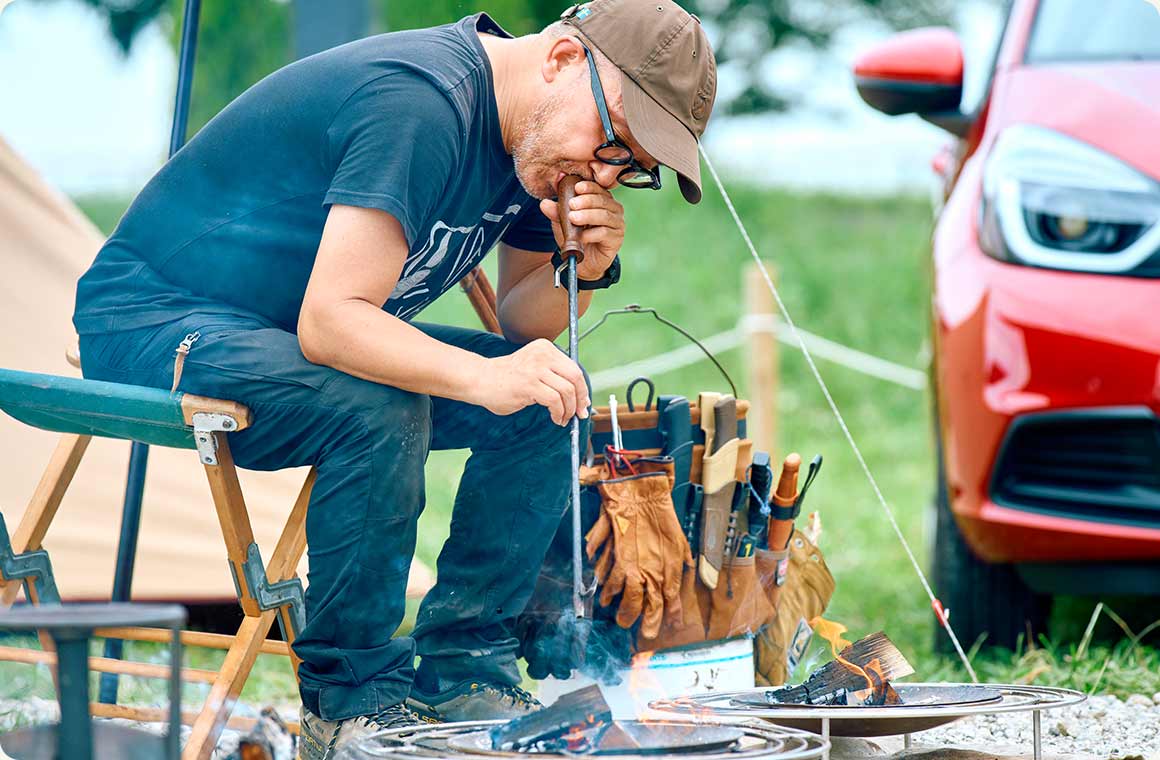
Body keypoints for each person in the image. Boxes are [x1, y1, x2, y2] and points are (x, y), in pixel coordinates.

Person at [71, 0, 715, 755]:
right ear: (563, 61)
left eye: (630, 168)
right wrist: (477, 381)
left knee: (551, 396)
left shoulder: (541, 140)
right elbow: (332, 323)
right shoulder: (421, 102)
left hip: (284, 334)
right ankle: (351, 702)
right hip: (154, 320)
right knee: (382, 403)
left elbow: (524, 328)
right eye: (611, 140)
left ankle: (465, 664)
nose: (602, 172)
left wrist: (586, 266)